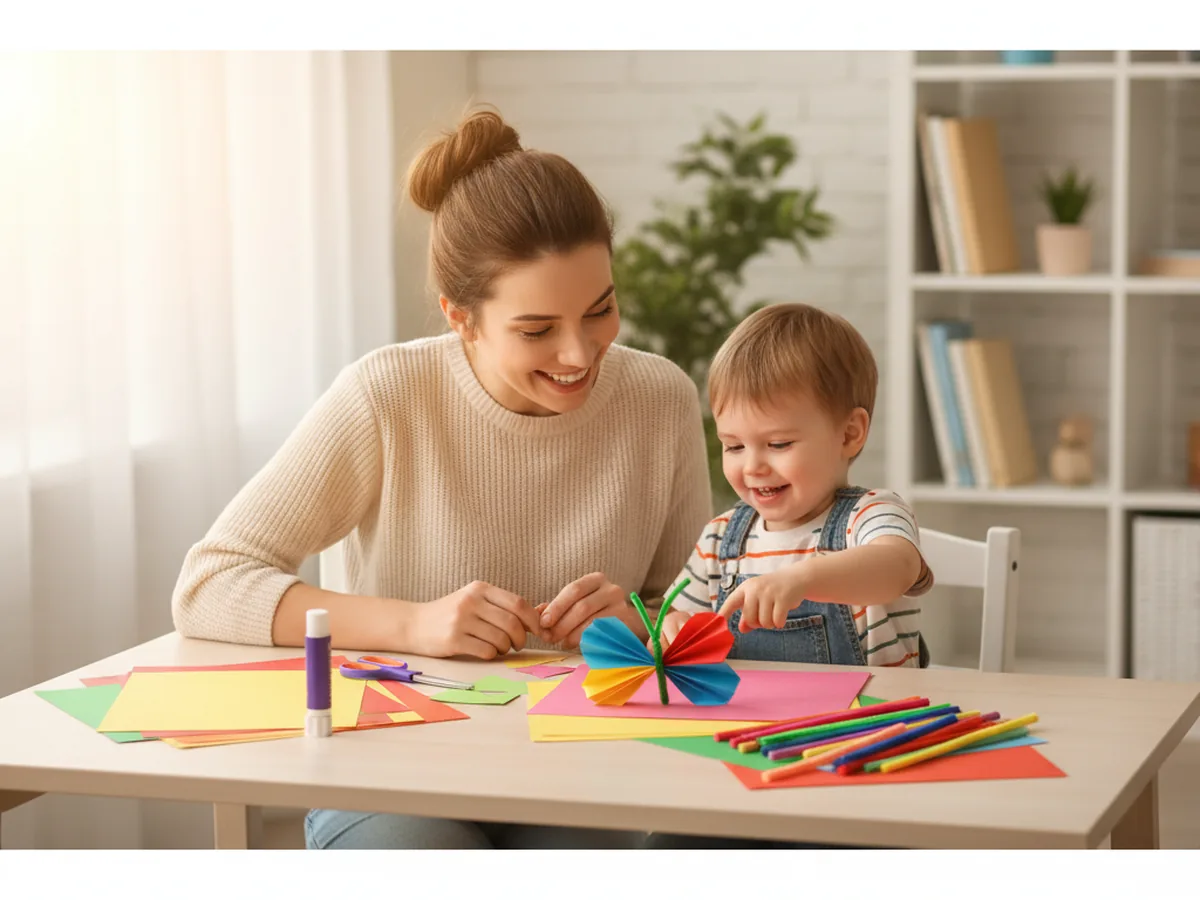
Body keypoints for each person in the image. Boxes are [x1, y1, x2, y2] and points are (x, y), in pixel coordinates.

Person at [170, 106, 713, 850]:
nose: (581, 353)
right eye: (536, 330)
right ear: (460, 316)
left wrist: (637, 628)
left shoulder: (660, 399)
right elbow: (209, 583)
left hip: (585, 767)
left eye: (601, 310)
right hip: (391, 768)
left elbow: (697, 613)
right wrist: (413, 624)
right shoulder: (387, 395)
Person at [643, 302, 934, 850]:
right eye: (733, 446)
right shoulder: (722, 537)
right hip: (745, 761)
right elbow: (679, 615)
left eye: (778, 444)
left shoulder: (872, 515)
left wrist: (801, 578)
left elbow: (894, 568)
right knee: (664, 848)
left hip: (868, 765)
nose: (752, 465)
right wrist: (673, 633)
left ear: (850, 434)